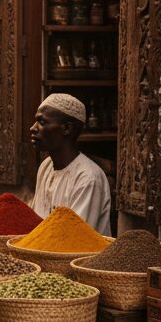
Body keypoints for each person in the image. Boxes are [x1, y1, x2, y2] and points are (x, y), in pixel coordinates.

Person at [29, 93, 113, 236]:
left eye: (42, 122)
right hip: (42, 252)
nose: (33, 128)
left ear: (67, 128)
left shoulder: (88, 178)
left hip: (81, 257)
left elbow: (73, 239)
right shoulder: (46, 166)